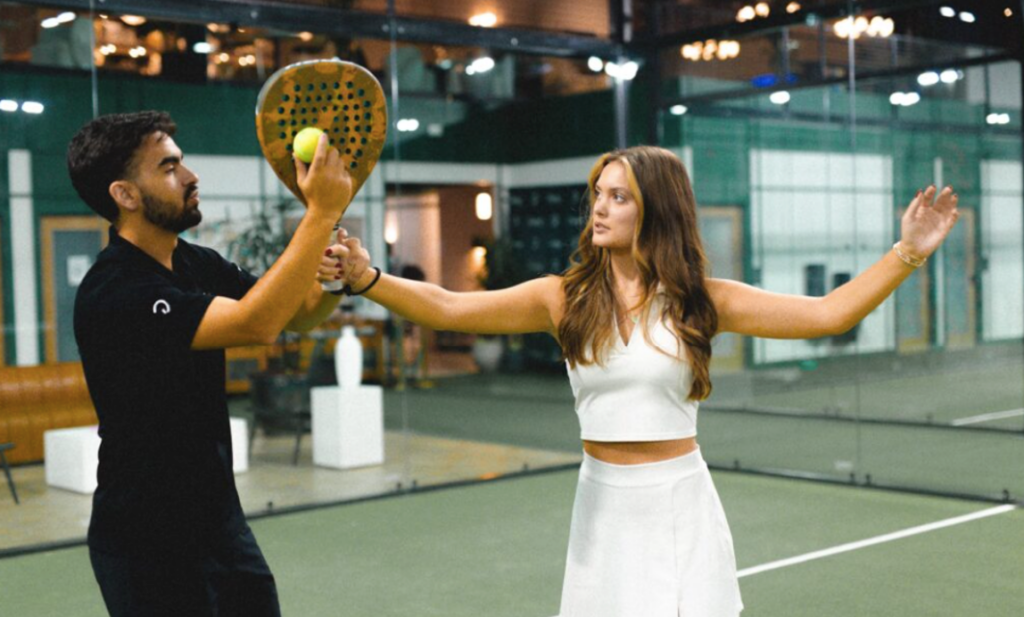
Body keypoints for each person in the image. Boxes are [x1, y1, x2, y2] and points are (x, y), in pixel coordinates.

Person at [334, 145, 960, 616]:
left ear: (654, 208)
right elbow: (447, 307)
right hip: (601, 505)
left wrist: (908, 252)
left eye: (619, 196)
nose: (600, 207)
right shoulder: (561, 298)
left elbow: (830, 315)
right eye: (599, 194)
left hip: (680, 502)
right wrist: (367, 279)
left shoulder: (703, 300)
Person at [67, 110, 368, 616]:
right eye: (168, 168)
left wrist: (335, 277)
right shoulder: (115, 290)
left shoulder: (195, 262)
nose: (190, 176)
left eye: (182, 162)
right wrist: (318, 214)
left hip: (219, 523)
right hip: (145, 539)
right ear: (125, 195)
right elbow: (256, 324)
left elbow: (296, 315)